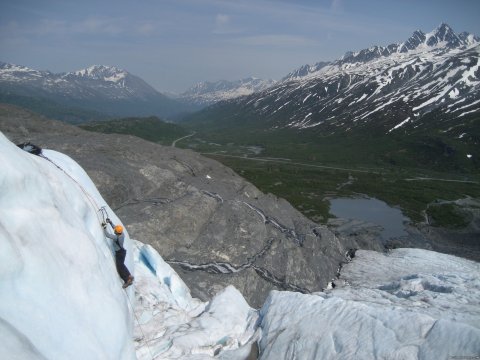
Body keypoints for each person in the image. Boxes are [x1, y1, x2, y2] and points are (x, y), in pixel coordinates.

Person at [102, 218, 134, 288]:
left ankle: (127, 280)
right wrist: (110, 222)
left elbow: (107, 235)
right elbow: (115, 228)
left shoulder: (116, 237)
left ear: (117, 232)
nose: (114, 230)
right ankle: (129, 276)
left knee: (120, 267)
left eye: (115, 231)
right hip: (122, 252)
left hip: (119, 253)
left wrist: (104, 228)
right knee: (122, 265)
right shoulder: (122, 234)